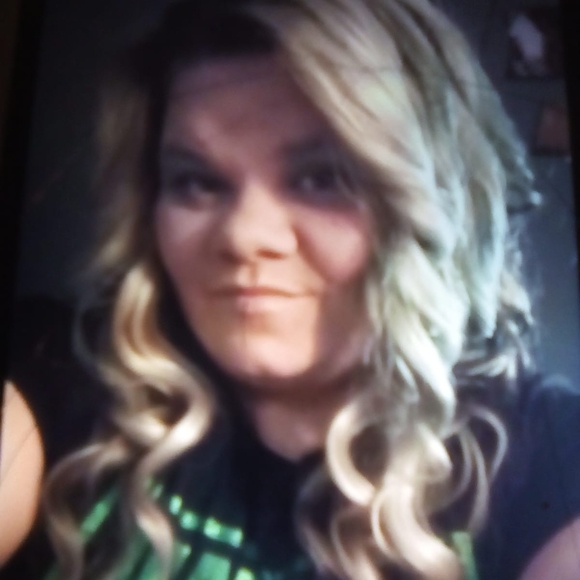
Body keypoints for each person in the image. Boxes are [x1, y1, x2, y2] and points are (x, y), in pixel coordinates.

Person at [1, 0, 580, 578]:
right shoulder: (73, 385)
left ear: (425, 205)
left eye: (322, 178)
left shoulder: (542, 449)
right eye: (196, 181)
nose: (243, 235)